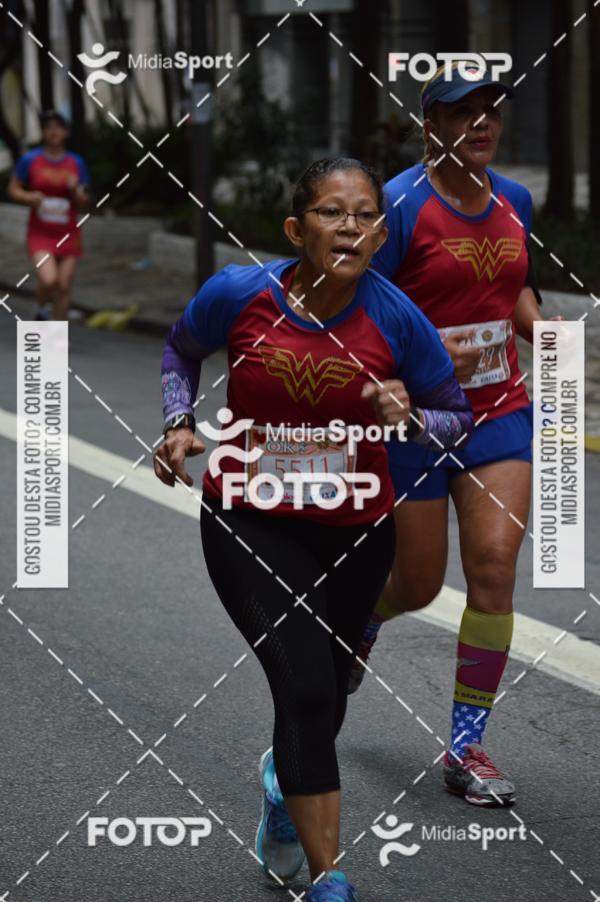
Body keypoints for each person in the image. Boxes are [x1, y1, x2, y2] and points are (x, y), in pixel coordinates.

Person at [154, 158, 473, 900]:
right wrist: (177, 422)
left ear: (380, 234)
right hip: (249, 518)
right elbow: (180, 348)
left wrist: (416, 419)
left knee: (325, 697)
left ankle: (281, 788)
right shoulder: (240, 294)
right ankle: (331, 882)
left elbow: (456, 419)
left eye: (365, 216)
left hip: (357, 530)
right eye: (333, 213)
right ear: (298, 229)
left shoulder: (398, 319)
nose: (351, 227)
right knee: (302, 691)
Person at [350, 64, 561, 808]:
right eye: (462, 111)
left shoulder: (516, 200)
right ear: (430, 123)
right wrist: (431, 353)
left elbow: (517, 292)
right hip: (416, 418)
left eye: (491, 110)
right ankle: (365, 621)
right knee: (416, 582)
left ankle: (467, 746)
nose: (481, 123)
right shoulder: (399, 207)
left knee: (497, 566)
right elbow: (361, 314)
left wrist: (547, 336)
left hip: (498, 410)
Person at [7, 110, 91, 321]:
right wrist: (29, 197)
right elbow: (13, 189)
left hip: (68, 232)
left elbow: (85, 200)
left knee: (63, 286)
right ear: (43, 132)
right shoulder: (30, 159)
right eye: (48, 127)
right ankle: (40, 307)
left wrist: (75, 191)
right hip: (40, 233)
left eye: (58, 127)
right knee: (49, 278)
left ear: (66, 132)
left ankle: (56, 340)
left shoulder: (76, 162)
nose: (53, 132)